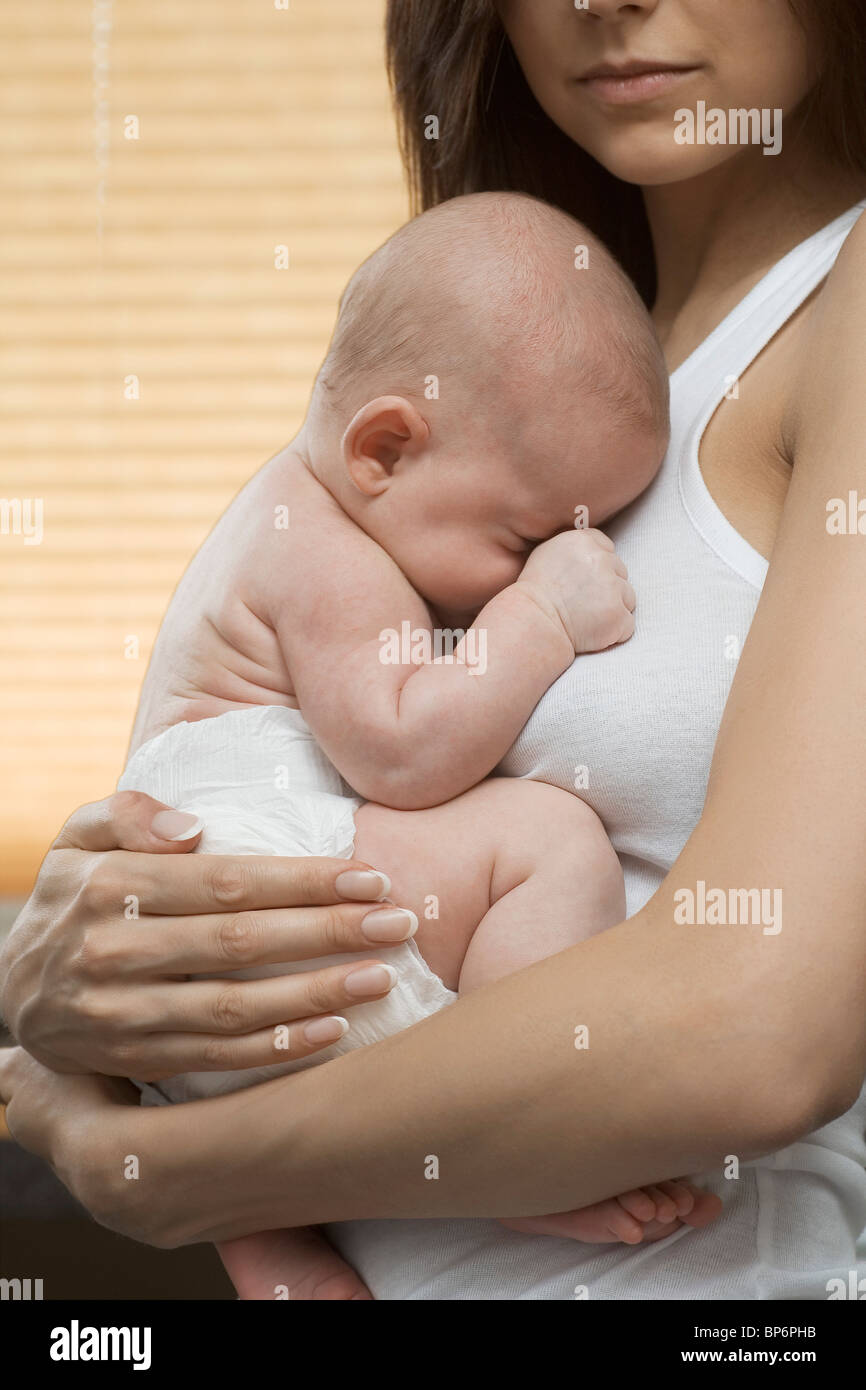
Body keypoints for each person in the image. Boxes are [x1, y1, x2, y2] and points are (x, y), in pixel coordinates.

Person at [2, 0, 866, 1301]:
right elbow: (294, 739)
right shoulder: (540, 368)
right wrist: (78, 976)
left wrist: (167, 1165)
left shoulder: (839, 310)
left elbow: (753, 1029)